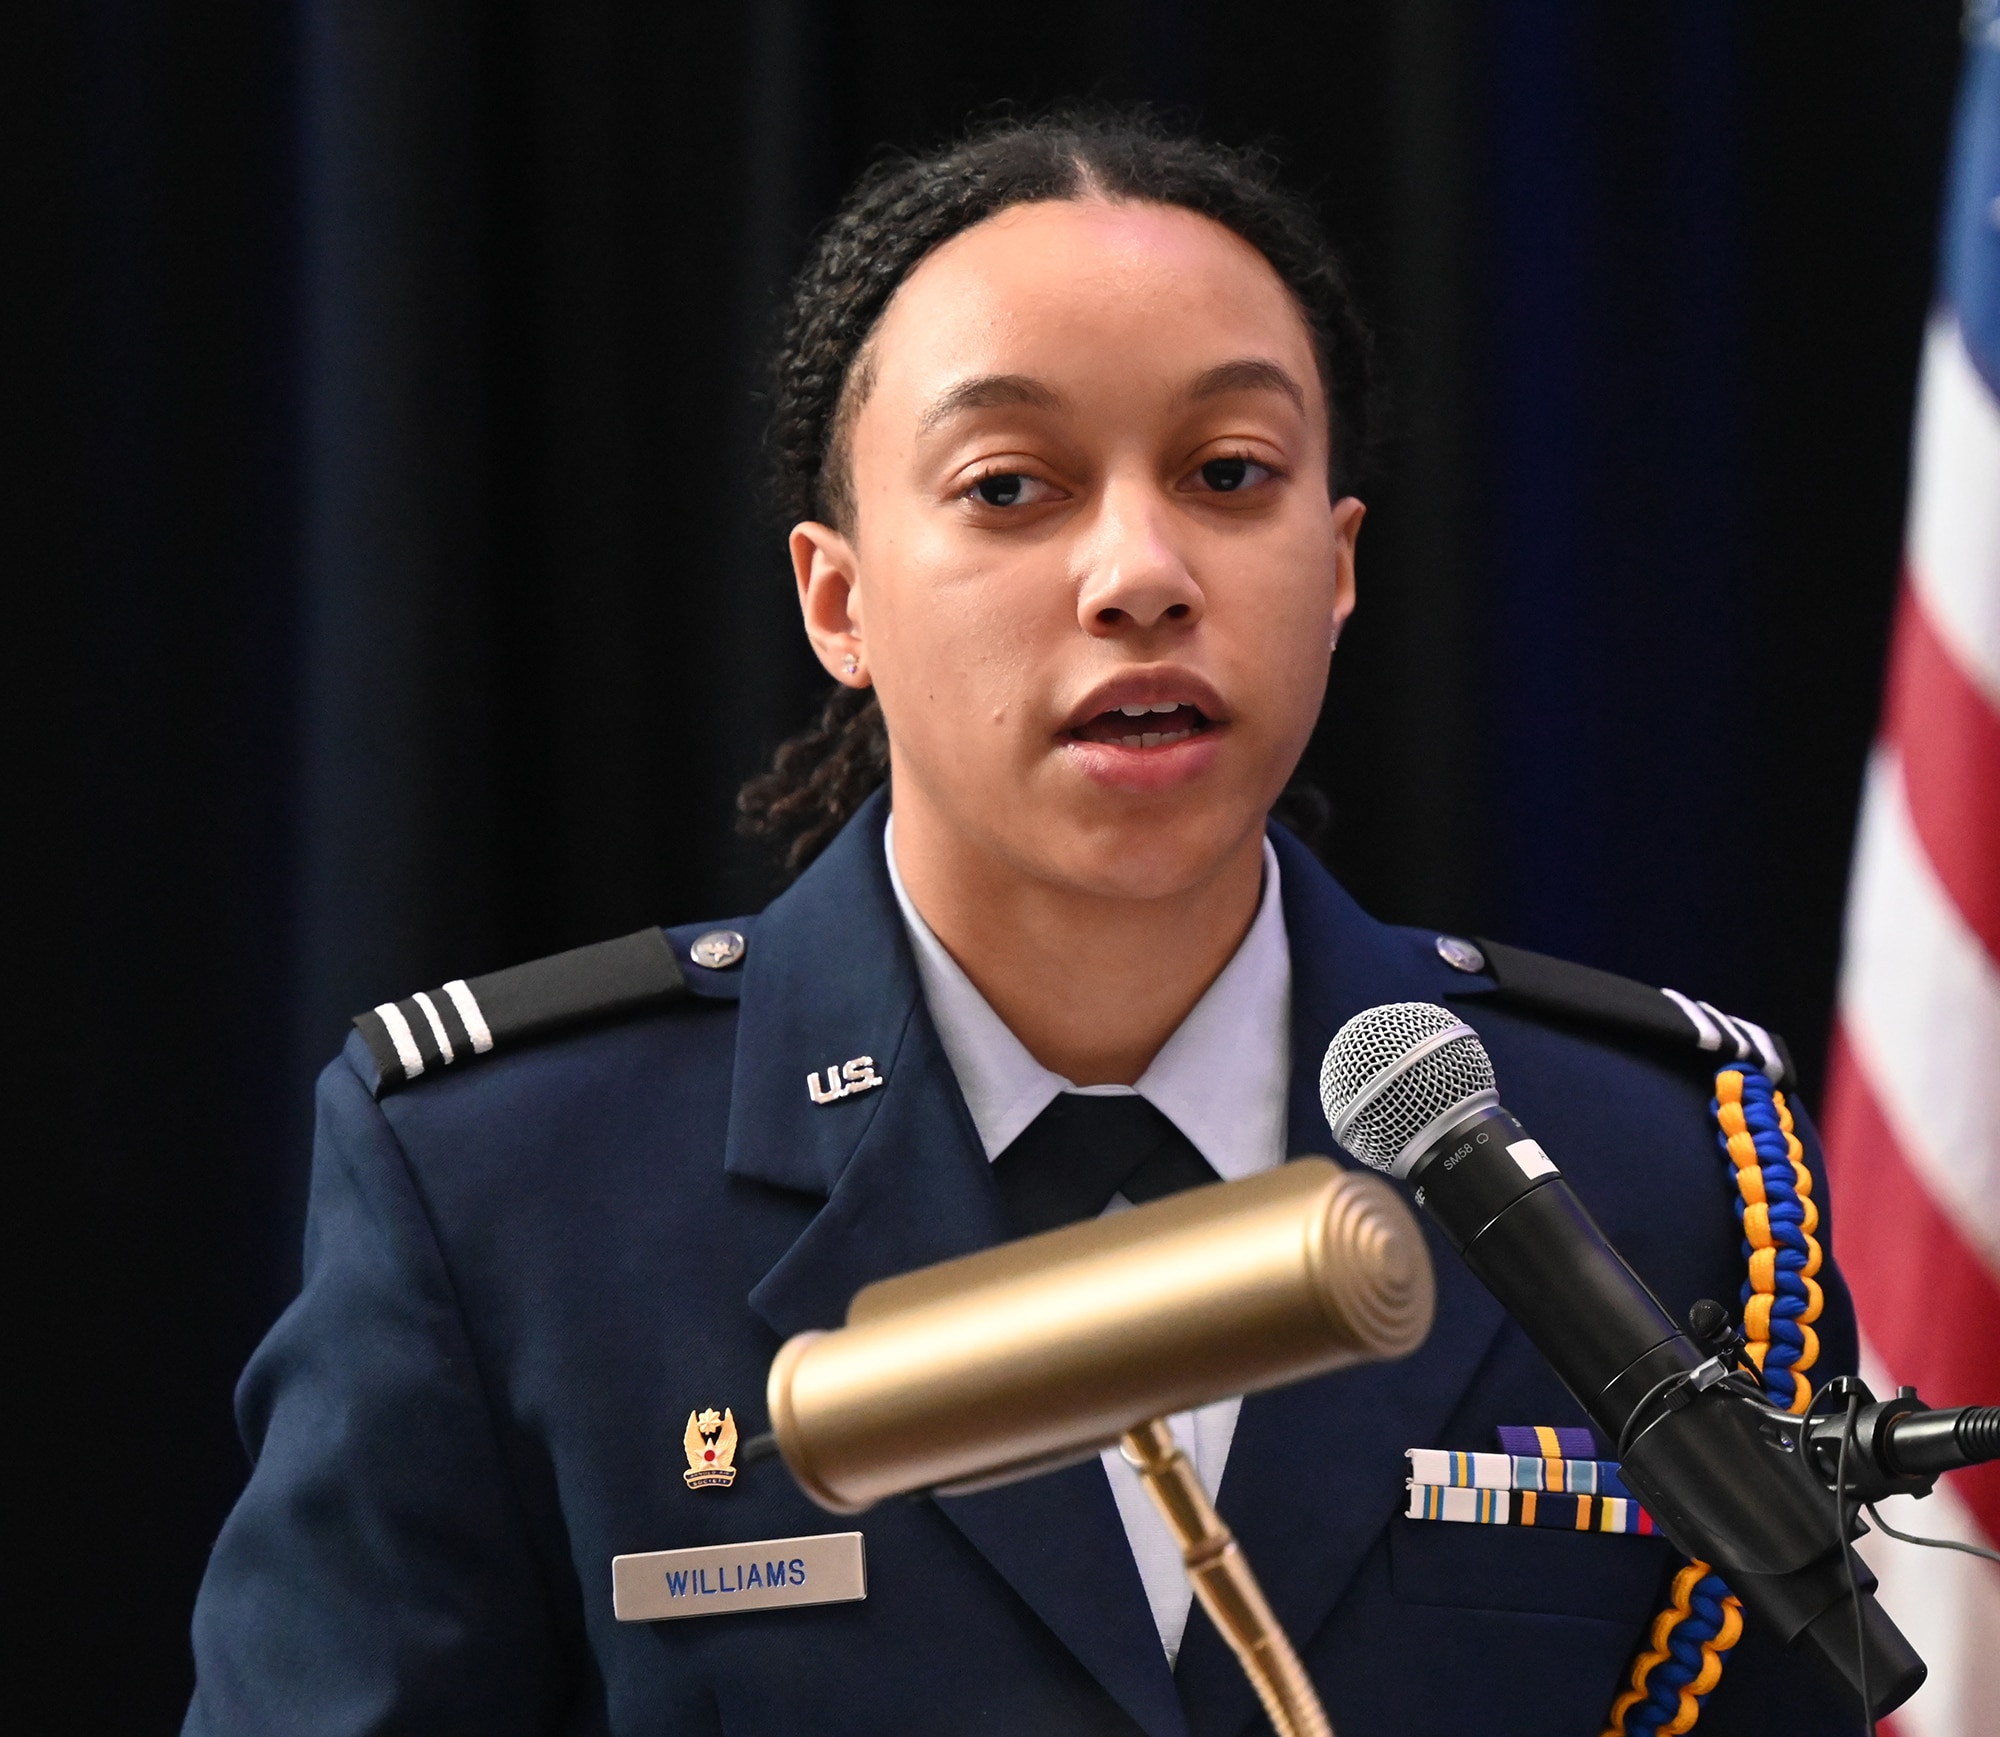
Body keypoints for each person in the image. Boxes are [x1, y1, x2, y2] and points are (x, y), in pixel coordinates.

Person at [185, 114, 1862, 1736]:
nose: (1139, 571)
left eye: (1228, 471)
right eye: (1010, 486)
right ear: (838, 600)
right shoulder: (510, 1185)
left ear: (1339, 566)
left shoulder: (1647, 1166)